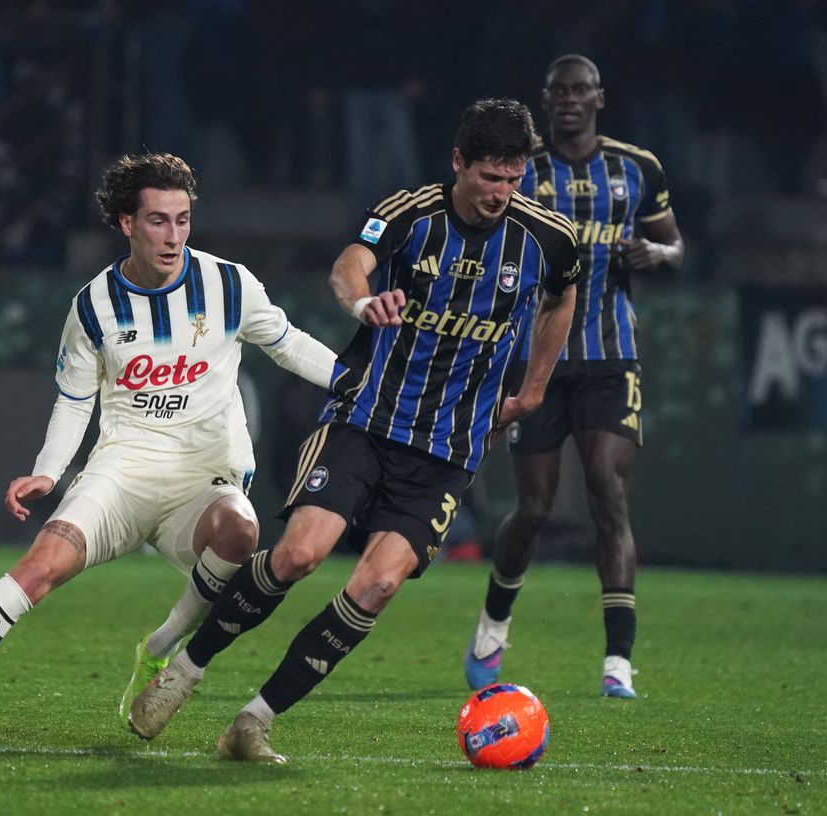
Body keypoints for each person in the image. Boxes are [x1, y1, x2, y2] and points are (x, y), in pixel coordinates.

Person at [128, 99, 580, 763]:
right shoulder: (411, 214)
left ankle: (253, 723)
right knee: (299, 555)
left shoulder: (547, 238)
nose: (500, 193)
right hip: (365, 421)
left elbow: (562, 295)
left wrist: (535, 387)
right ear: (459, 162)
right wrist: (364, 300)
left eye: (513, 180)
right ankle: (185, 672)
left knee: (377, 586)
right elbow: (349, 264)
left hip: (448, 451)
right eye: (490, 177)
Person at [0, 152, 338, 746]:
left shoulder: (228, 284)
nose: (173, 236)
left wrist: (359, 382)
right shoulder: (93, 305)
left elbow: (289, 344)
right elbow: (74, 400)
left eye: (183, 220)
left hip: (204, 479)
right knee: (37, 569)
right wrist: (47, 472)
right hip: (121, 474)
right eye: (158, 221)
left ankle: (160, 646)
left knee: (241, 531)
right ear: (126, 223)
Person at [463, 55, 684, 699]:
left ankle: (618, 662)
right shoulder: (521, 171)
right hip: (535, 359)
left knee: (607, 492)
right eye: (558, 91)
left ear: (598, 98)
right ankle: (494, 621)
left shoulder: (637, 169)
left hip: (611, 357)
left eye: (579, 89)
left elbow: (676, 246)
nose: (568, 99)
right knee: (533, 508)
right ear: (546, 99)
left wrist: (656, 252)